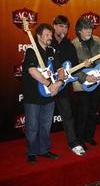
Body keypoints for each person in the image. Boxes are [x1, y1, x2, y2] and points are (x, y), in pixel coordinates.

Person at [22, 23, 64, 163]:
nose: (50, 37)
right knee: (32, 127)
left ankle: (44, 150)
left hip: (49, 97)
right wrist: (49, 84)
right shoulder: (31, 50)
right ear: (38, 36)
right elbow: (32, 70)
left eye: (51, 35)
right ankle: (32, 152)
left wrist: (60, 82)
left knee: (46, 126)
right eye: (46, 34)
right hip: (33, 97)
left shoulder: (52, 50)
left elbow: (60, 69)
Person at [51, 15, 87, 155]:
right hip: (46, 87)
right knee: (43, 118)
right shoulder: (46, 41)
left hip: (63, 87)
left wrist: (86, 72)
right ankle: (38, 146)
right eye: (60, 26)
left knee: (68, 115)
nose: (63, 29)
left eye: (66, 27)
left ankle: (73, 143)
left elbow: (76, 67)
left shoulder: (69, 46)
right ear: (54, 26)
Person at [72, 16, 100, 148]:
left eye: (90, 28)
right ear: (79, 30)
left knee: (93, 111)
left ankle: (89, 136)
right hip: (82, 84)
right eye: (85, 29)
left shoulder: (98, 40)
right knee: (83, 112)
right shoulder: (74, 44)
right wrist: (85, 78)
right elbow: (72, 67)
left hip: (97, 81)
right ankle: (79, 140)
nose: (89, 31)